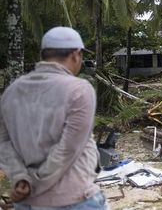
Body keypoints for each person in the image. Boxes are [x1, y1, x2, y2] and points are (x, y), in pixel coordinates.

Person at [0, 26, 108, 209]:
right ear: (76, 54)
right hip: (75, 200)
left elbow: (3, 142)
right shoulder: (79, 90)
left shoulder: (11, 92)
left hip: (27, 203)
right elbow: (68, 149)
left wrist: (20, 179)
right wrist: (34, 183)